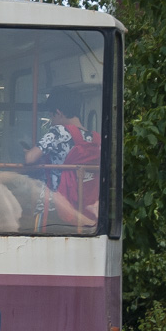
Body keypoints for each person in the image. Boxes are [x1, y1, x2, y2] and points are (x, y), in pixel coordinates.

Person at [23, 89, 101, 228]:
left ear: (58, 113)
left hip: (56, 208)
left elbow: (30, 158)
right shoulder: (94, 138)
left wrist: (27, 151)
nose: (52, 122)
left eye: (51, 117)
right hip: (84, 208)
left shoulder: (58, 131)